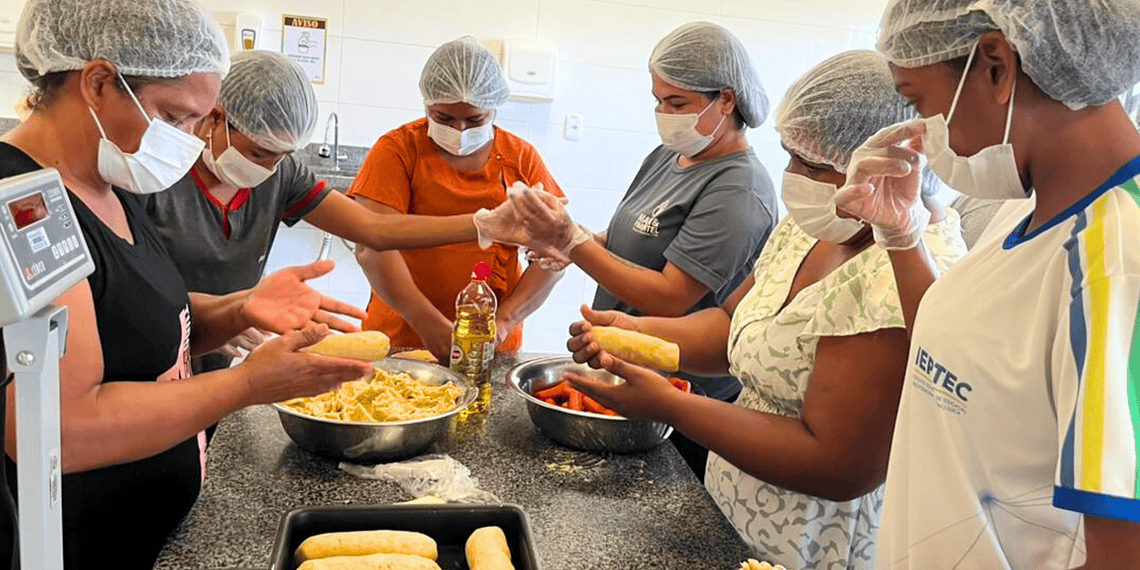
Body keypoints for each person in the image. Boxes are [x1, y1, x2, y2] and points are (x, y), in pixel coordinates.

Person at [532, 50, 967, 570]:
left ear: (890, 168)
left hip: (811, 542)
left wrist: (670, 407)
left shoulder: (901, 274)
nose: (791, 175)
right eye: (790, 154)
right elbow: (737, 331)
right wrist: (635, 333)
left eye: (812, 163)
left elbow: (837, 463)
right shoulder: (812, 226)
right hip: (730, 515)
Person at [0, 1, 377, 568]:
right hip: (77, 545)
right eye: (175, 118)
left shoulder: (107, 184)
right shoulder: (26, 205)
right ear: (100, 83)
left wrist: (240, 307)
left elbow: (135, 325)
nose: (192, 139)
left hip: (147, 535)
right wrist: (248, 385)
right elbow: (64, 430)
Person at [831, 0, 1140, 568]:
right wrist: (903, 239)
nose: (921, 132)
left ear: (996, 65)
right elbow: (975, 364)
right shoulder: (1032, 207)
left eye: (918, 102)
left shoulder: (1116, 263)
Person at [146, 50, 526, 384]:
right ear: (214, 118)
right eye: (261, 152)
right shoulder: (156, 177)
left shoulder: (282, 175)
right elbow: (127, 293)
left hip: (213, 364)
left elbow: (372, 229)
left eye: (285, 154)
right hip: (147, 354)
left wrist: (482, 225)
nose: (272, 167)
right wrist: (210, 318)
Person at [512, 21, 778, 475]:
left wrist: (572, 242)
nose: (664, 113)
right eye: (658, 100)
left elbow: (670, 295)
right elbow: (625, 240)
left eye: (677, 102)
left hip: (680, 402)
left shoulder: (739, 188)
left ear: (727, 100)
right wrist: (562, 246)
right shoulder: (665, 158)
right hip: (622, 372)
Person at [349, 37, 564, 362]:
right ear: (427, 105)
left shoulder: (520, 158)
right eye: (444, 119)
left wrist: (505, 319)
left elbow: (554, 254)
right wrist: (426, 322)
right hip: (402, 339)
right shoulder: (398, 150)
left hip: (488, 343)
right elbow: (371, 245)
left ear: (493, 108)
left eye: (475, 120)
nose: (460, 131)